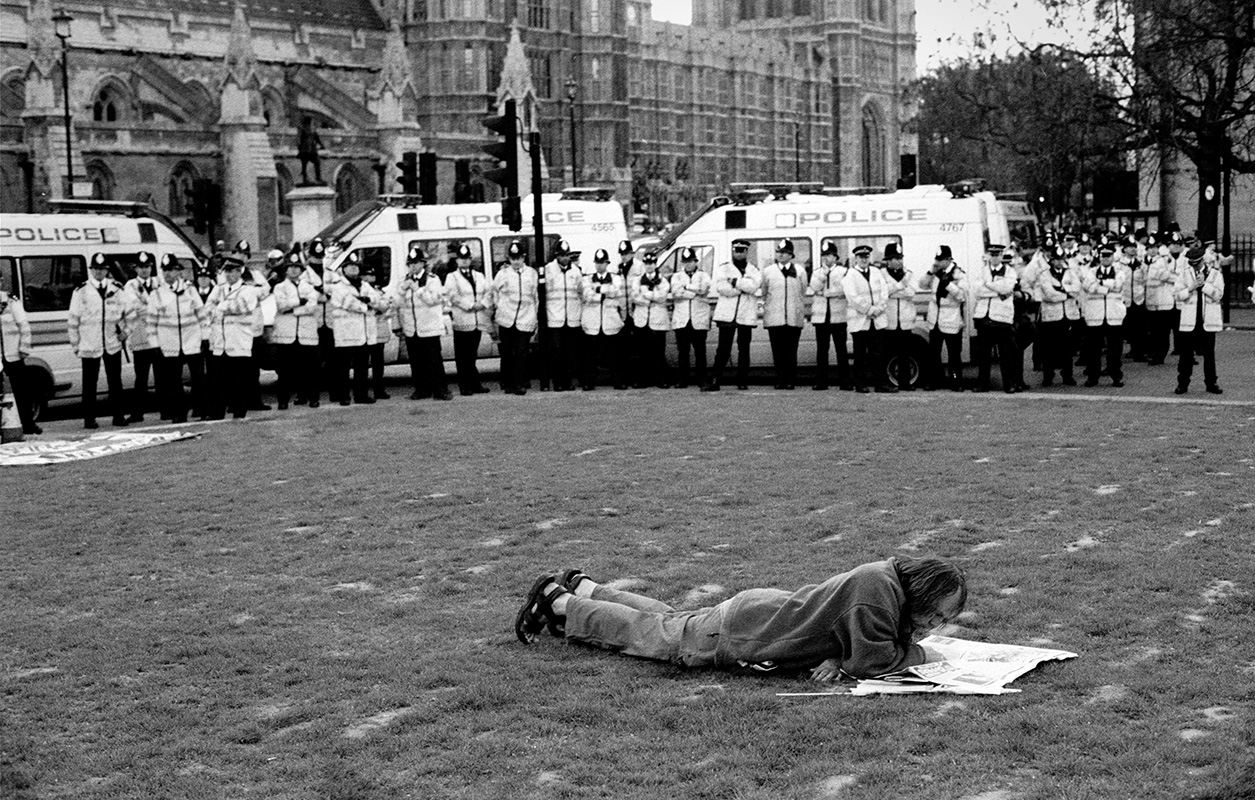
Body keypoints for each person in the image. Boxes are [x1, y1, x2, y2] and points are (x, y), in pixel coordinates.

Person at [514, 557, 967, 681]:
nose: (936, 625)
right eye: (938, 616)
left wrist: (841, 656)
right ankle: (560, 603)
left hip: (758, 612)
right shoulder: (877, 600)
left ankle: (588, 589)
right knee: (658, 635)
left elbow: (859, 646)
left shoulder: (885, 580)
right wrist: (921, 652)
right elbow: (874, 659)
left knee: (675, 620)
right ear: (923, 593)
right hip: (746, 629)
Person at [68, 253, 131, 428]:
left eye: (102, 269)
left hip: (112, 343)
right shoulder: (81, 291)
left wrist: (125, 332)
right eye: (95, 269)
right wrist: (76, 345)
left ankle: (118, 417)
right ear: (91, 270)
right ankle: (89, 419)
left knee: (115, 383)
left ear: (107, 271)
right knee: (89, 384)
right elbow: (73, 320)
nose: (98, 273)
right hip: (89, 344)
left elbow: (129, 314)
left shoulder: (117, 289)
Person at [146, 254, 206, 423]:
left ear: (178, 271)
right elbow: (151, 322)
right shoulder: (157, 294)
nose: (168, 274)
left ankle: (200, 409)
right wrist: (155, 344)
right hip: (169, 344)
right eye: (165, 270)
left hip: (191, 340)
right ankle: (180, 412)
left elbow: (201, 314)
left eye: (171, 270)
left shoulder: (190, 289)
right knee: (174, 382)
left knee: (199, 378)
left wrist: (205, 337)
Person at [393, 246, 452, 401]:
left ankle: (441, 390)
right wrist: (401, 290)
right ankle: (421, 390)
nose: (413, 266)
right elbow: (397, 304)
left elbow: (433, 300)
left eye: (416, 263)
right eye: (410, 263)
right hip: (412, 328)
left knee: (434, 361)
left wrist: (417, 289)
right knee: (416, 363)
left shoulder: (433, 279)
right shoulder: (403, 281)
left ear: (423, 264)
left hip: (429, 328)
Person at [204, 255, 259, 419]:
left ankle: (239, 410)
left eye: (232, 271)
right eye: (226, 271)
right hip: (220, 343)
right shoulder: (218, 288)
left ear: (239, 272)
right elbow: (207, 309)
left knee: (239, 381)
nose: (228, 275)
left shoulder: (247, 290)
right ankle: (218, 412)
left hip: (238, 341)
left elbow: (242, 306)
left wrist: (220, 307)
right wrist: (222, 309)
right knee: (219, 382)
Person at [706, 239, 761, 391]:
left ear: (746, 252)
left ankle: (742, 381)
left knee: (744, 349)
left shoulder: (753, 270)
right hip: (727, 315)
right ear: (733, 251)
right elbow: (721, 288)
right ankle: (715, 380)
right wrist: (741, 288)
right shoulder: (724, 268)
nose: (739, 253)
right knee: (723, 349)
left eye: (742, 250)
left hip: (746, 314)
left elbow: (754, 287)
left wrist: (735, 282)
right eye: (736, 250)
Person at [329, 251, 381, 405]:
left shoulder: (365, 285)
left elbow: (378, 300)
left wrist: (368, 300)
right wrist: (367, 306)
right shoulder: (338, 286)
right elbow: (347, 302)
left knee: (362, 367)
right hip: (346, 334)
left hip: (363, 334)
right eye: (349, 266)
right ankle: (344, 396)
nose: (353, 269)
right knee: (343, 369)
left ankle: (361, 395)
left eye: (356, 266)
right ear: (343, 269)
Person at [270, 252, 320, 409]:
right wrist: (299, 301)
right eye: (290, 267)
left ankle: (312, 398)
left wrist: (294, 310)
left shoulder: (310, 287)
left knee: (310, 370)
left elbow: (312, 307)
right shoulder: (279, 287)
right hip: (286, 334)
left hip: (306, 334)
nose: (293, 271)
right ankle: (283, 401)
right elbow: (281, 305)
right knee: (285, 371)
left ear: (301, 270)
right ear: (286, 270)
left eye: (296, 268)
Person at [842, 244, 894, 393]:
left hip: (877, 321)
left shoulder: (876, 272)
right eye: (860, 257)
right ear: (855, 258)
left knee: (878, 355)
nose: (864, 260)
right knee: (860, 355)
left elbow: (884, 292)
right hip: (860, 322)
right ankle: (860, 384)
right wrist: (869, 309)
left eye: (866, 257)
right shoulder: (850, 275)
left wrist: (879, 308)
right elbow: (852, 297)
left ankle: (880, 384)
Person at [1173, 245, 1224, 395]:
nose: (1195, 267)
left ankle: (1211, 383)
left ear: (1203, 261)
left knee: (1209, 355)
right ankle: (1182, 383)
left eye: (1198, 263)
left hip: (1207, 321)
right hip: (1190, 320)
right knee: (1186, 355)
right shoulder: (1184, 274)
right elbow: (1177, 295)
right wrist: (1191, 288)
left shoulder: (1215, 274)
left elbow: (1219, 295)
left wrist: (1205, 286)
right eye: (1192, 263)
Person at [444, 243, 493, 395]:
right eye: (461, 258)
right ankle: (465, 386)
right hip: (462, 322)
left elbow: (489, 292)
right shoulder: (452, 277)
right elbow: (453, 295)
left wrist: (483, 304)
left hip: (477, 322)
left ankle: (475, 384)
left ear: (471, 259)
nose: (464, 261)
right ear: (456, 261)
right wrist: (471, 305)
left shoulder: (479, 276)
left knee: (472, 356)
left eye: (466, 258)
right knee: (462, 357)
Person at [971, 244, 1021, 393]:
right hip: (983, 318)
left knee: (1005, 355)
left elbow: (1007, 288)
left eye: (997, 254)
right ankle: (983, 384)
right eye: (992, 254)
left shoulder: (1010, 271)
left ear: (1001, 256)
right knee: (983, 355)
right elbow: (976, 291)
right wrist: (997, 289)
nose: (994, 257)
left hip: (1002, 319)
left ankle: (1009, 383)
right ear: (988, 256)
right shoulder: (982, 271)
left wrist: (988, 285)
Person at [492, 240, 539, 395]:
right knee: (506, 353)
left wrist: (534, 318)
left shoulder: (532, 273)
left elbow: (535, 297)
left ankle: (519, 384)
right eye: (513, 259)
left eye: (518, 258)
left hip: (525, 319)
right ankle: (507, 382)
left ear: (523, 257)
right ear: (509, 258)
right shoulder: (503, 273)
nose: (516, 262)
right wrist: (500, 308)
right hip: (506, 318)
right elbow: (494, 293)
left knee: (521, 353)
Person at [121, 251, 162, 422]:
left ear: (151, 267)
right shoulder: (129, 286)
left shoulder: (159, 282)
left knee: (162, 377)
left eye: (147, 267)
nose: (144, 270)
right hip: (140, 338)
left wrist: (148, 307)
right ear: (135, 269)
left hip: (160, 338)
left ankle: (166, 410)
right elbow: (133, 308)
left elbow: (164, 305)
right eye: (141, 267)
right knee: (141, 380)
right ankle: (138, 413)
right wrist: (153, 307)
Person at [1079, 241, 1126, 388]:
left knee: (1115, 350)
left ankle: (1116, 376)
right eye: (1103, 256)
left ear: (1113, 257)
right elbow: (1088, 286)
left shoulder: (1120, 272)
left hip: (1114, 315)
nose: (1105, 258)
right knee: (1094, 350)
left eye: (1108, 255)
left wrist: (1099, 284)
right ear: (1099, 257)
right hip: (1095, 315)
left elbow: (1118, 286)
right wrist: (1106, 286)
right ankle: (1093, 377)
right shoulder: (1091, 271)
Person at [918, 245, 966, 391]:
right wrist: (930, 271)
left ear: (948, 259)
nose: (938, 262)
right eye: (937, 259)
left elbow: (962, 295)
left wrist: (948, 284)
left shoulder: (958, 274)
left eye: (941, 260)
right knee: (934, 354)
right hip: (935, 321)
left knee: (954, 355)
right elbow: (922, 284)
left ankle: (956, 382)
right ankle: (934, 381)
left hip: (951, 319)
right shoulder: (936, 273)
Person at [761, 238, 806, 390]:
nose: (781, 255)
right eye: (779, 252)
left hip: (793, 316)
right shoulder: (768, 271)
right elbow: (765, 292)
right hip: (775, 317)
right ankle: (780, 379)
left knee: (791, 351)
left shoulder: (799, 271)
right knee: (778, 351)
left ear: (791, 255)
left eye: (785, 253)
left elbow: (802, 291)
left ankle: (790, 380)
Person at [579, 248, 628, 390]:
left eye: (602, 263)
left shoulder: (617, 278)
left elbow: (617, 291)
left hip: (611, 321)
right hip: (593, 322)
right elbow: (587, 295)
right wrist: (605, 292)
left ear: (607, 264)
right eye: (597, 263)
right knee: (591, 356)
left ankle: (619, 381)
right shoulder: (587, 279)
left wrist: (598, 290)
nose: (599, 265)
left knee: (615, 355)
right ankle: (589, 382)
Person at [0, 271, 40, 434]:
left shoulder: (11, 301)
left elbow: (24, 326)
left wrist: (24, 348)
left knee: (22, 392)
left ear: (1, 281)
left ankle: (29, 425)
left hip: (13, 355)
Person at [1035, 245, 1080, 387]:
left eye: (1062, 259)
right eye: (1057, 259)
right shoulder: (1044, 274)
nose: (1060, 262)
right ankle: (1048, 376)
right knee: (1049, 348)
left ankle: (1067, 375)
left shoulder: (1071, 273)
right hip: (1051, 317)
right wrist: (1067, 294)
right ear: (1051, 260)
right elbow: (1049, 294)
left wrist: (1061, 290)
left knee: (1067, 349)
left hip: (1068, 316)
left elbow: (1077, 288)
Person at [808, 241, 850, 391]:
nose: (826, 258)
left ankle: (845, 381)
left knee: (841, 350)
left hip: (838, 317)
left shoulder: (843, 271)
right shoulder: (818, 272)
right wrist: (824, 275)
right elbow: (814, 287)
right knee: (822, 350)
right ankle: (821, 381)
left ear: (835, 257)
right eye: (824, 255)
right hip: (821, 317)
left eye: (829, 255)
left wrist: (829, 293)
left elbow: (845, 290)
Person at [543, 239, 584, 392]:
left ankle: (568, 382)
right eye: (562, 255)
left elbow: (581, 292)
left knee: (570, 353)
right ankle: (557, 382)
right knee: (556, 353)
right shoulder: (549, 270)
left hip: (572, 318)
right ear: (556, 256)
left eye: (567, 255)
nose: (565, 258)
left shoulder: (575, 271)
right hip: (555, 318)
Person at [669, 246, 712, 389]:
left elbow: (703, 289)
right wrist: (693, 291)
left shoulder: (703, 275)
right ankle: (682, 379)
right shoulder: (676, 276)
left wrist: (686, 286)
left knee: (700, 351)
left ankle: (702, 379)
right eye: (685, 261)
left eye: (690, 261)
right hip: (682, 319)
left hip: (698, 319)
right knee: (683, 352)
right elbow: (676, 292)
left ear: (696, 261)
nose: (687, 264)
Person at [631, 250, 671, 388]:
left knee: (659, 352)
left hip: (658, 321)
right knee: (643, 352)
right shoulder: (637, 280)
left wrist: (646, 293)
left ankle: (661, 379)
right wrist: (652, 297)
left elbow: (662, 297)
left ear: (655, 264)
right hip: (642, 320)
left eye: (651, 263)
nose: (649, 266)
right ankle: (643, 380)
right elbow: (635, 297)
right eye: (647, 263)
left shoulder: (663, 280)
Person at [882, 242, 918, 391]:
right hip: (888, 321)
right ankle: (888, 383)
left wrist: (894, 292)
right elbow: (883, 293)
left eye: (900, 258)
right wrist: (900, 286)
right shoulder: (881, 274)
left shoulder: (909, 273)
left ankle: (905, 383)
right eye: (895, 258)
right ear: (888, 261)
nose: (898, 261)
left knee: (904, 354)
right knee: (886, 353)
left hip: (905, 320)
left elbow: (911, 292)